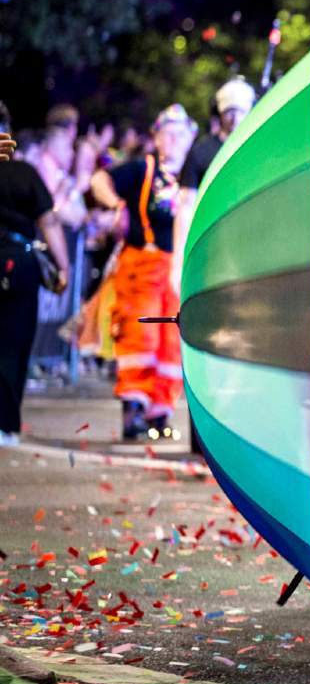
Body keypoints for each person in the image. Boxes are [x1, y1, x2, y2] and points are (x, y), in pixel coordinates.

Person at [90, 104, 197, 441]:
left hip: (178, 269)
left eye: (181, 134)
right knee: (141, 337)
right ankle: (133, 408)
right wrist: (115, 204)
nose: (175, 140)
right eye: (168, 133)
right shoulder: (142, 169)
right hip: (142, 267)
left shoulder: (191, 175)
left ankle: (160, 413)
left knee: (170, 344)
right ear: (157, 137)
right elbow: (99, 179)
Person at [0, 101, 71, 447]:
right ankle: (4, 424)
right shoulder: (24, 174)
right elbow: (50, 222)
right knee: (13, 345)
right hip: (17, 263)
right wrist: (64, 266)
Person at [173, 77, 256, 285]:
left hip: (249, 244)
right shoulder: (201, 152)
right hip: (210, 245)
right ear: (218, 112)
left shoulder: (256, 151)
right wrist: (178, 260)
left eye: (241, 111)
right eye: (230, 111)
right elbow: (186, 206)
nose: (235, 119)